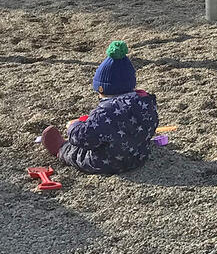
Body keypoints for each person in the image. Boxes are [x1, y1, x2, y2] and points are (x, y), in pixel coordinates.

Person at [40, 41, 158, 175]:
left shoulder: (105, 112)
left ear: (102, 89)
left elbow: (84, 139)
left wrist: (74, 126)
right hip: (139, 156)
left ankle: (60, 148)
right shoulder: (146, 101)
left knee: (77, 153)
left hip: (107, 163)